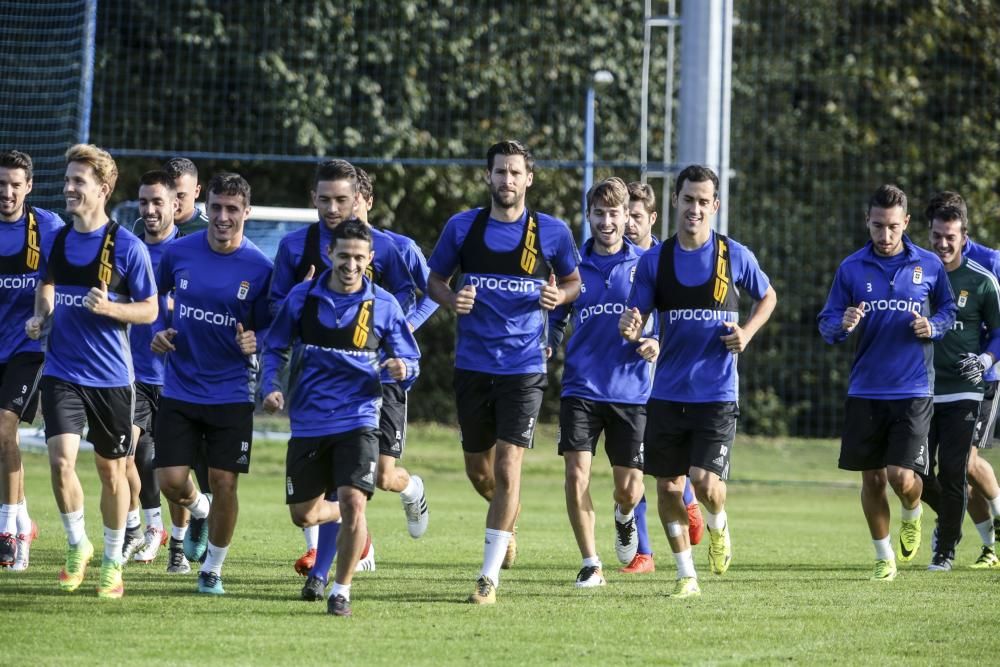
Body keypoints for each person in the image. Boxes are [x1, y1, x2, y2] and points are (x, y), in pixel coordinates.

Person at [427, 139, 581, 604]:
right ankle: (508, 518)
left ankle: (487, 578)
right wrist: (453, 299)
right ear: (488, 176)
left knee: (510, 467)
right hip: (472, 365)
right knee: (481, 471)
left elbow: (575, 281)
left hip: (525, 366)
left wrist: (560, 297)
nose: (507, 180)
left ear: (528, 179)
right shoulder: (463, 228)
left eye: (515, 172)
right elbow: (434, 280)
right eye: (500, 172)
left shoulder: (550, 232)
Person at [620, 165, 777, 598]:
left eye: (703, 201)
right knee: (669, 488)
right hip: (667, 393)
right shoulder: (656, 260)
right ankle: (685, 574)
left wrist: (746, 332)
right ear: (675, 202)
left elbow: (768, 296)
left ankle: (718, 524)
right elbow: (636, 319)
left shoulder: (733, 255)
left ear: (715, 206)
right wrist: (632, 327)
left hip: (716, 393)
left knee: (705, 484)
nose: (695, 208)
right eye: (688, 199)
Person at [262, 219, 420, 617]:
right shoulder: (302, 297)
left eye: (359, 258)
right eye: (343, 256)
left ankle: (342, 590)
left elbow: (412, 358)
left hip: (360, 418)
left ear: (370, 259)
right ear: (330, 254)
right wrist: (269, 387)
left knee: (353, 502)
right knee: (306, 513)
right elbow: (274, 347)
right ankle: (349, 512)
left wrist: (404, 368)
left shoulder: (384, 304)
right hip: (310, 423)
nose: (351, 264)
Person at [26, 144, 158, 598]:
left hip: (112, 381)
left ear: (102, 189)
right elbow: (46, 284)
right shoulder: (58, 239)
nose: (68, 187)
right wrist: (42, 314)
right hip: (63, 372)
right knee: (61, 460)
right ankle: (77, 544)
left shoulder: (128, 247)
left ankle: (111, 561)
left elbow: (150, 310)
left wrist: (113, 309)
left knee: (112, 473)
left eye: (78, 181)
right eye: (67, 179)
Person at [297, 167, 435, 600]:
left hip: (385, 380)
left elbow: (435, 290)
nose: (339, 209)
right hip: (331, 382)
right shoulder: (306, 247)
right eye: (330, 201)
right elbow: (280, 303)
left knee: (383, 475)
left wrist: (401, 334)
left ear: (363, 201)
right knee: (338, 482)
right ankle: (330, 564)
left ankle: (412, 488)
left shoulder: (397, 249)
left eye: (349, 200)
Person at [818, 184, 956, 582]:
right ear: (868, 221)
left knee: (901, 476)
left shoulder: (928, 265)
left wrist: (934, 325)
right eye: (878, 226)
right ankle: (884, 557)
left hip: (913, 389)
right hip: (866, 389)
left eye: (893, 227)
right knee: (873, 478)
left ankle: (912, 512)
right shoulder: (851, 268)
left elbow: (947, 309)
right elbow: (827, 323)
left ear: (906, 223)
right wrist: (842, 325)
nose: (885, 234)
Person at [151, 172, 273, 595]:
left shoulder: (260, 267)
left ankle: (212, 570)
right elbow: (153, 299)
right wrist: (160, 328)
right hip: (180, 387)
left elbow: (273, 328)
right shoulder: (179, 252)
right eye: (217, 208)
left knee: (225, 482)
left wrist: (256, 338)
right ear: (208, 208)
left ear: (246, 212)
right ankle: (198, 508)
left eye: (232, 209)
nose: (223, 217)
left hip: (231, 393)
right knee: (169, 480)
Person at [548, 177, 654, 587]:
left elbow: (659, 320)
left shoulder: (645, 264)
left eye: (614, 213)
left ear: (628, 216)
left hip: (631, 390)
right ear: (588, 216)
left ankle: (624, 516)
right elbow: (556, 318)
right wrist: (548, 342)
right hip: (581, 388)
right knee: (576, 475)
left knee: (629, 489)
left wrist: (653, 342)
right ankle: (591, 562)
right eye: (599, 213)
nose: (606, 221)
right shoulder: (572, 267)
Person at [620, 180, 704, 575]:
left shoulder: (668, 259)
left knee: (661, 468)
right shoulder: (610, 256)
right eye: (626, 216)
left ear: (653, 218)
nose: (629, 225)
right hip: (622, 382)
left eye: (637, 217)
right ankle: (644, 554)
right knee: (631, 468)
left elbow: (680, 319)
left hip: (665, 383)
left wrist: (654, 339)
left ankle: (689, 497)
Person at [920, 203, 1000, 571]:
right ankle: (956, 523)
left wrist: (985, 360)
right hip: (920, 388)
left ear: (963, 236)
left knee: (961, 465)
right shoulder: (915, 272)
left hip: (970, 386)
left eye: (950, 236)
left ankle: (952, 547)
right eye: (936, 235)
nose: (942, 243)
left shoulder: (984, 274)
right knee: (914, 472)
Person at [0, 150, 63, 570]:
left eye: (14, 185)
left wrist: (47, 315)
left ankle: (7, 532)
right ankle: (22, 521)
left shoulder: (48, 228)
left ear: (29, 187)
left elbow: (64, 275)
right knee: (4, 441)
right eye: (0, 184)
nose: (6, 192)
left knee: (3, 428)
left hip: (27, 348)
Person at [125, 171, 184, 568]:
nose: (149, 210)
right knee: (128, 455)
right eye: (143, 202)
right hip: (135, 375)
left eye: (157, 202)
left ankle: (178, 545)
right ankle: (148, 528)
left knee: (174, 475)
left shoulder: (190, 252)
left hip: (180, 380)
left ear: (174, 206)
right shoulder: (129, 249)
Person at [163, 157, 209, 234]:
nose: (173, 202)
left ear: (196, 192)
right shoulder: (144, 225)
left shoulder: (210, 229)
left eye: (180, 195)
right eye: (167, 194)